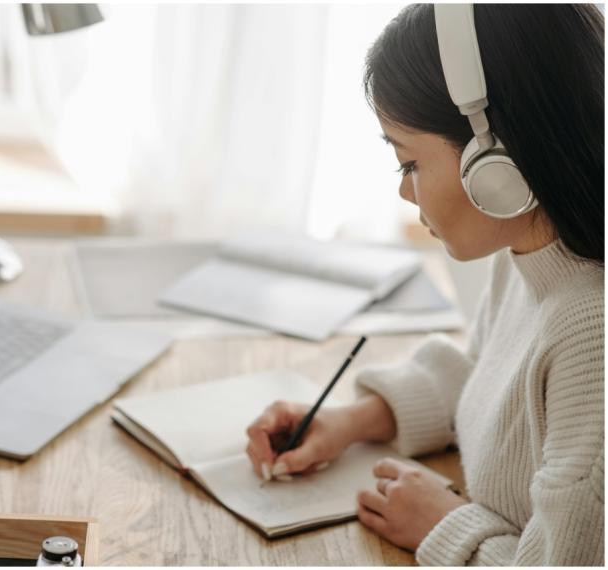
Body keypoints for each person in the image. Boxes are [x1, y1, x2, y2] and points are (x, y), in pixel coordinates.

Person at [245, 4, 604, 565]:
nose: (405, 194)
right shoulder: (528, 255)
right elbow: (492, 388)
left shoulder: (594, 335)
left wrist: (446, 525)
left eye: (407, 163)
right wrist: (350, 421)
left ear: (495, 163)